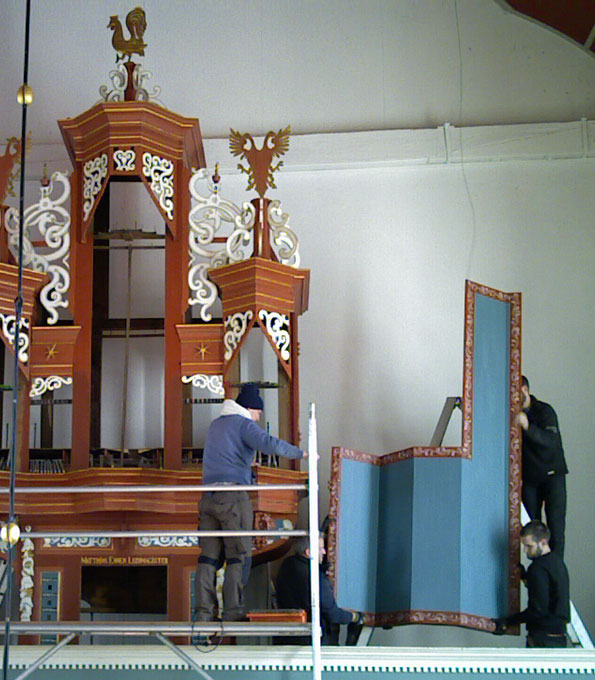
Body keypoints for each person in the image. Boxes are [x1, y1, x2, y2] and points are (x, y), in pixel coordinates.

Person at [194, 384, 306, 622]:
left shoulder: (216, 425)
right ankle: (233, 611)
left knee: (209, 557)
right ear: (250, 407)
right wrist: (301, 454)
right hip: (233, 497)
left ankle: (203, 612)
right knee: (238, 554)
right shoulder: (243, 423)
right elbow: (269, 443)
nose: (258, 418)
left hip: (208, 497)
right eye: (258, 413)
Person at [275, 534, 364, 645]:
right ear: (309, 552)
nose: (324, 552)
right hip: (310, 639)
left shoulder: (288, 564)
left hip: (286, 635)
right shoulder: (315, 577)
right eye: (320, 548)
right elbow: (333, 615)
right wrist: (355, 616)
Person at [492, 520, 569, 647]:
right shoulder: (558, 563)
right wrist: (525, 578)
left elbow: (537, 610)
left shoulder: (537, 568)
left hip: (542, 638)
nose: (525, 550)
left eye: (529, 546)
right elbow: (550, 593)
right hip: (559, 637)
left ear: (543, 542)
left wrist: (508, 621)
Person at [516, 376, 568, 557]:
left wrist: (527, 426)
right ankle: (535, 572)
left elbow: (550, 441)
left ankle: (555, 571)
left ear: (525, 389)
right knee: (530, 527)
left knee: (556, 526)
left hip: (553, 475)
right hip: (530, 478)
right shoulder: (509, 413)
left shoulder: (545, 411)